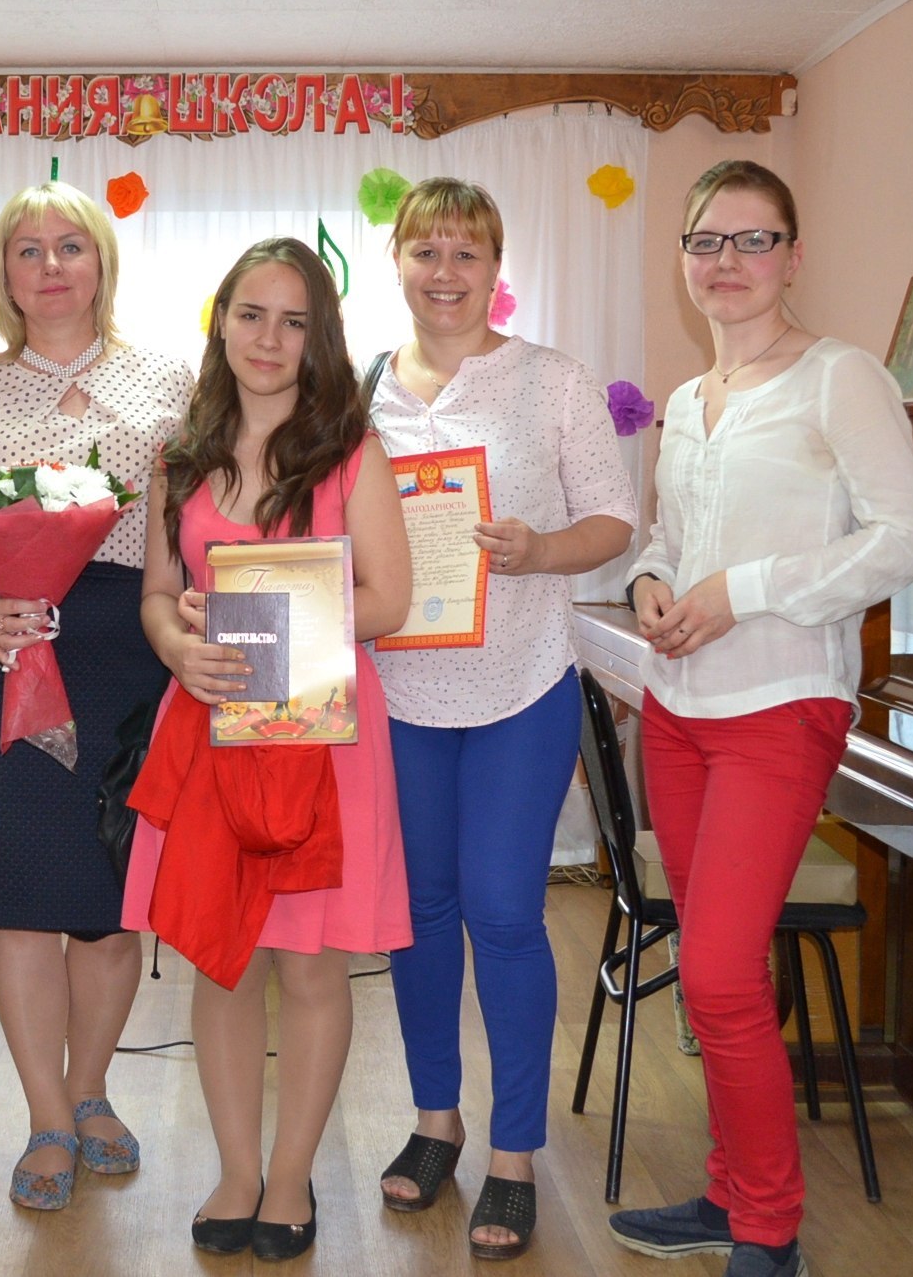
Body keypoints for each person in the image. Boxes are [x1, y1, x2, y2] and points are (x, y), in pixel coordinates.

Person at [608, 160, 913, 1277]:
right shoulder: (688, 400)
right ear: (683, 260)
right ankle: (731, 1190)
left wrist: (740, 591)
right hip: (678, 711)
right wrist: (652, 580)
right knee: (723, 979)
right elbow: (669, 539)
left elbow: (904, 538)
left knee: (715, 973)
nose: (728, 261)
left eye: (754, 239)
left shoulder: (842, 377)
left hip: (779, 709)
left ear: (794, 256)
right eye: (707, 240)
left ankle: (770, 1228)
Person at [125, 237, 412, 1260]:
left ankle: (290, 1175)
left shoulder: (351, 450)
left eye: (294, 321)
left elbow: (391, 598)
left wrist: (273, 620)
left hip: (324, 741)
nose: (269, 338)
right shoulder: (177, 455)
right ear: (221, 321)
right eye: (252, 314)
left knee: (312, 967)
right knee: (224, 960)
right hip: (209, 733)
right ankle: (237, 1170)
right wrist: (177, 646)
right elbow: (159, 596)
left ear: (318, 337)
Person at [366, 177, 636, 1261]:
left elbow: (614, 518)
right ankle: (437, 1121)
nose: (445, 273)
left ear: (494, 268)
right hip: (397, 693)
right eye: (425, 252)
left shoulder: (552, 379)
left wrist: (540, 550)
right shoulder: (359, 392)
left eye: (465, 253)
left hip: (522, 684)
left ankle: (514, 1153)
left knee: (506, 912)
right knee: (421, 912)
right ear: (397, 262)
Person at [0, 181, 191, 1210]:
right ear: (4, 276)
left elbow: (196, 519)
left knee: (110, 902)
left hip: (127, 649)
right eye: (28, 250)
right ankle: (44, 1114)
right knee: (22, 897)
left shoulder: (171, 379)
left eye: (71, 245)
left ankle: (91, 1090)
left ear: (102, 261)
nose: (52, 265)